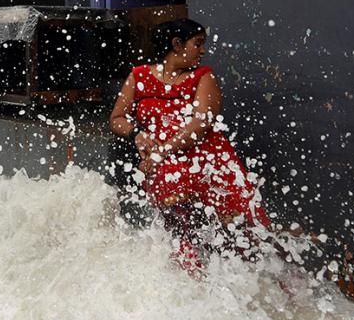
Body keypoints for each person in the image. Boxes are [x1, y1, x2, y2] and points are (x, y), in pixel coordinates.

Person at [109, 18, 270, 272]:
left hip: (207, 164)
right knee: (181, 232)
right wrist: (137, 134)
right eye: (198, 44)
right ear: (177, 44)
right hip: (167, 168)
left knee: (239, 236)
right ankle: (192, 291)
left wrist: (162, 151)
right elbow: (117, 119)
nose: (203, 51)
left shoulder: (202, 76)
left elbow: (202, 122)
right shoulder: (138, 76)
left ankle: (264, 288)